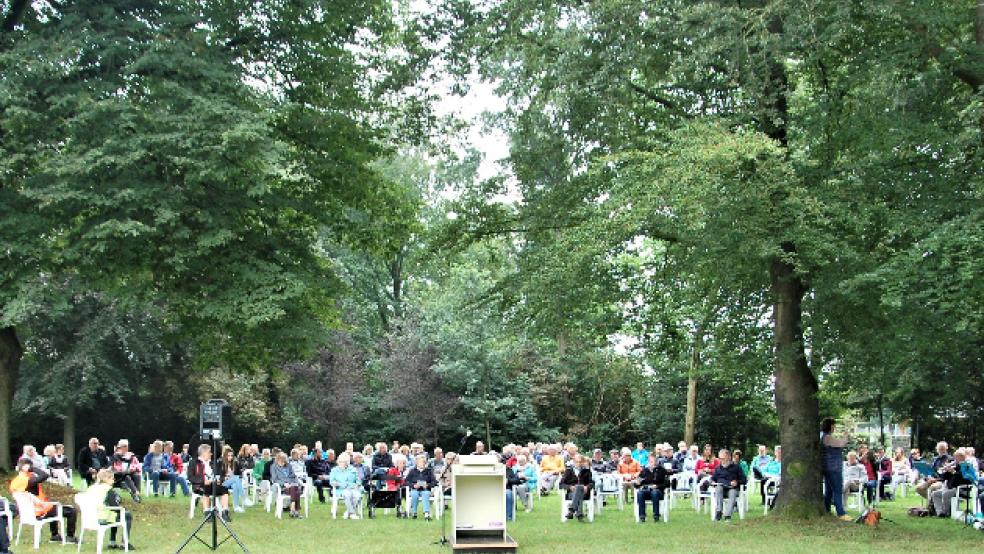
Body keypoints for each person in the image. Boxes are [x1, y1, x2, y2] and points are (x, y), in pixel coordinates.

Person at [9, 459, 78, 544]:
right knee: (71, 511)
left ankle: (55, 535)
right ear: (25, 467)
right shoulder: (26, 480)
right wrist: (33, 468)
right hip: (39, 511)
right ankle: (70, 537)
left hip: (27, 513)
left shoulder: (15, 481)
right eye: (30, 466)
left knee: (53, 508)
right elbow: (44, 475)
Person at [79, 468, 136, 550]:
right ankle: (124, 543)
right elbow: (115, 507)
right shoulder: (108, 489)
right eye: (112, 478)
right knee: (126, 514)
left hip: (89, 518)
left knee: (115, 514)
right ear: (106, 479)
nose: (113, 480)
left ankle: (112, 542)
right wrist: (121, 506)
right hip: (102, 518)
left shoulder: (91, 488)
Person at [187, 444, 231, 521]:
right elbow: (190, 477)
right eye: (209, 452)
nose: (211, 454)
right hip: (200, 485)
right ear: (203, 453)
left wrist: (220, 480)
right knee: (206, 488)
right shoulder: (194, 462)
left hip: (214, 484)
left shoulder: (213, 462)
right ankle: (207, 514)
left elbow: (221, 474)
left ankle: (225, 512)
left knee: (224, 488)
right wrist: (203, 481)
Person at [929, 448, 974, 518]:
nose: (955, 459)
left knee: (945, 494)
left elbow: (966, 479)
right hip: (952, 488)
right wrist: (946, 470)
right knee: (935, 494)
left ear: (962, 457)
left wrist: (953, 472)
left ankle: (946, 513)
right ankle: (940, 513)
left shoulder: (967, 466)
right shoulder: (956, 466)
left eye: (956, 457)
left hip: (961, 489)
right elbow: (944, 478)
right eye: (955, 457)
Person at [820, 418, 850, 519]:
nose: (834, 428)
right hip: (833, 468)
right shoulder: (827, 437)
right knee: (837, 490)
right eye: (833, 425)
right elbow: (841, 444)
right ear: (830, 426)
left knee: (829, 491)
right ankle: (841, 513)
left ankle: (827, 509)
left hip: (827, 467)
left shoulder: (822, 436)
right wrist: (845, 436)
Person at [711, 449, 746, 521]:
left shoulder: (736, 467)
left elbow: (744, 480)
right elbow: (712, 479)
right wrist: (712, 482)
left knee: (733, 492)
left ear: (728, 457)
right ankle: (719, 512)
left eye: (722, 458)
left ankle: (727, 515)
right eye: (719, 458)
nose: (721, 460)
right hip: (721, 490)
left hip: (732, 488)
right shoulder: (718, 468)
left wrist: (737, 482)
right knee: (718, 488)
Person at [269, 452, 304, 519]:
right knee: (296, 491)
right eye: (281, 462)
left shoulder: (288, 465)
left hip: (292, 485)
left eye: (284, 462)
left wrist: (293, 483)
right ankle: (295, 510)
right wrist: (284, 484)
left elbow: (294, 476)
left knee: (294, 487)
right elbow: (274, 479)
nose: (283, 463)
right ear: (277, 460)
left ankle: (292, 509)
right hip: (282, 487)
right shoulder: (273, 467)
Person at [634, 455, 669, 522]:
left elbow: (667, 484)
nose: (650, 463)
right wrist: (637, 483)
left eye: (652, 461)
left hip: (658, 492)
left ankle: (656, 516)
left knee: (654, 492)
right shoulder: (644, 471)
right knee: (640, 493)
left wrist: (657, 486)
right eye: (649, 461)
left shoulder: (662, 470)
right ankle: (642, 516)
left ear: (656, 462)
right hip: (647, 491)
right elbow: (637, 484)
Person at [329, 453, 363, 519]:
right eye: (341, 462)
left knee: (357, 495)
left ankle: (348, 512)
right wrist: (339, 484)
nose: (343, 463)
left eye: (345, 462)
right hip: (341, 489)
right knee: (347, 494)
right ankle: (352, 513)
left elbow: (358, 480)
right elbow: (331, 482)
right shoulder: (334, 470)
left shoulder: (353, 469)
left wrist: (357, 484)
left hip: (353, 488)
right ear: (338, 462)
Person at [404, 454, 437, 520]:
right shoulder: (412, 471)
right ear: (416, 463)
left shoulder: (429, 471)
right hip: (415, 489)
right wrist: (413, 485)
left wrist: (427, 485)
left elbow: (435, 482)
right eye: (420, 462)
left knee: (425, 494)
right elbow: (406, 482)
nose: (422, 463)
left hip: (425, 489)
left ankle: (426, 514)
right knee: (414, 494)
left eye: (424, 462)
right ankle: (414, 513)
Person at [560, 455, 594, 521]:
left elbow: (592, 483)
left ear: (583, 462)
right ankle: (579, 514)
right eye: (576, 462)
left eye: (580, 462)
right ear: (574, 462)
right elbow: (561, 484)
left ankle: (572, 510)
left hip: (584, 493)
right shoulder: (568, 471)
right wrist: (570, 487)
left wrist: (587, 487)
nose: (578, 463)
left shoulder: (587, 471)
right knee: (579, 490)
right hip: (571, 494)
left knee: (579, 487)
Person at [218, 447, 247, 513]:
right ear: (225, 456)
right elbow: (218, 475)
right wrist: (225, 478)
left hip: (232, 483)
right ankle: (244, 498)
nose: (230, 457)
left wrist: (235, 477)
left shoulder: (235, 463)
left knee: (235, 485)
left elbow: (240, 474)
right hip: (223, 483)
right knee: (235, 478)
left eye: (231, 455)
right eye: (228, 455)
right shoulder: (221, 463)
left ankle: (236, 507)